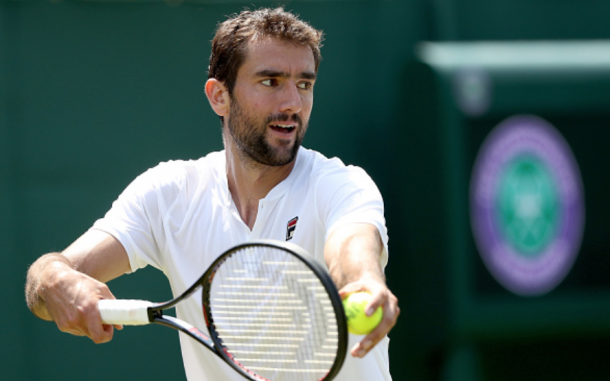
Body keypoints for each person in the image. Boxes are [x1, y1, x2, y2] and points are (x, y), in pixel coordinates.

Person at [25, 7, 399, 381]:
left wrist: (363, 281)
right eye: (271, 82)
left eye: (304, 84)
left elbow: (352, 247)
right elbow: (51, 277)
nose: (293, 104)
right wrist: (54, 281)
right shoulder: (169, 194)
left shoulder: (341, 184)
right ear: (219, 96)